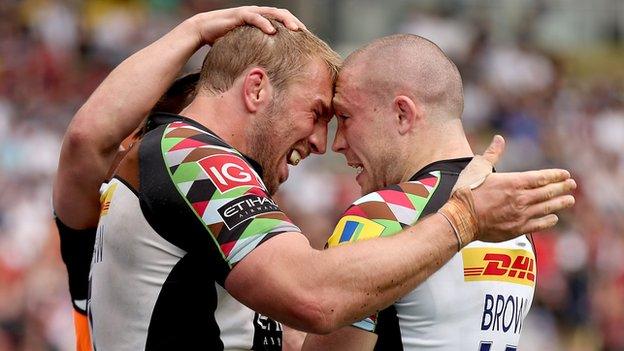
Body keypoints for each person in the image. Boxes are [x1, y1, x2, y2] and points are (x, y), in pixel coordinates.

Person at [53, 6, 575, 351]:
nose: (324, 143)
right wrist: (462, 217)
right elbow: (314, 299)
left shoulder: (145, 166)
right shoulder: (192, 156)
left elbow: (84, 144)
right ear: (257, 89)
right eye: (321, 111)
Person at [303, 34, 557, 351]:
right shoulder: (512, 218)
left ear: (402, 114)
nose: (336, 142)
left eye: (344, 117)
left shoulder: (381, 215)